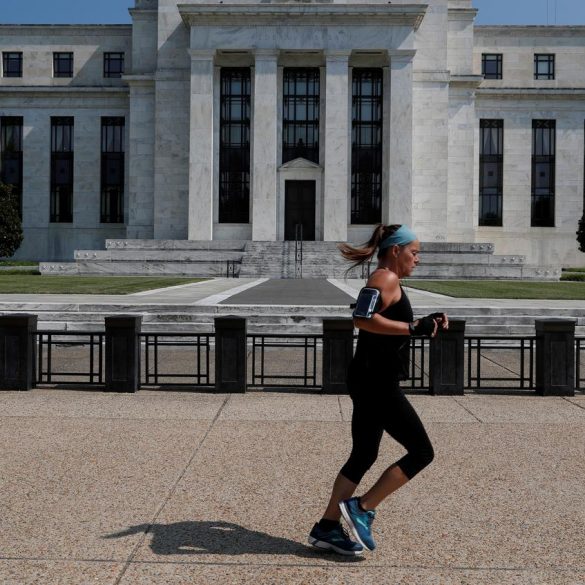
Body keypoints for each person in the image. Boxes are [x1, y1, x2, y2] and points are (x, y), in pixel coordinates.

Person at [308, 224, 448, 556]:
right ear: (395, 250)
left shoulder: (388, 280)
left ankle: (326, 528)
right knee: (422, 452)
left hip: (368, 378)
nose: (418, 258)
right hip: (377, 383)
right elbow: (362, 317)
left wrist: (425, 322)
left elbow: (386, 321)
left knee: (364, 454)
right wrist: (412, 326)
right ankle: (363, 508)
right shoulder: (384, 278)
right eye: (414, 252)